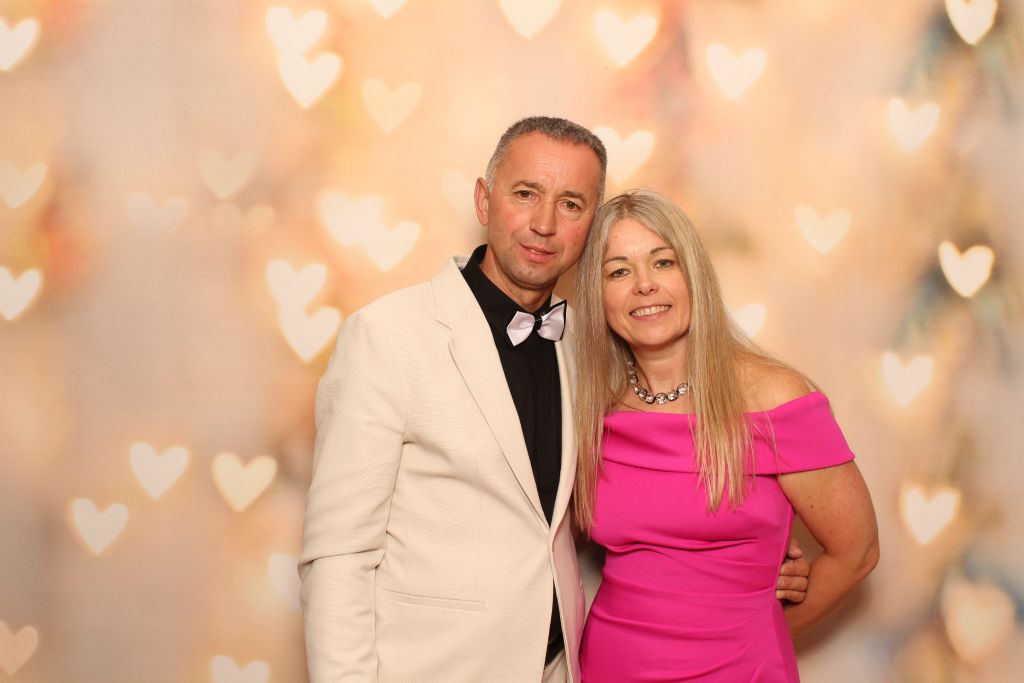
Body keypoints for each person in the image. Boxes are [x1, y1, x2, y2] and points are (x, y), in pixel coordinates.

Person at [299, 118, 810, 682]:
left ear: (591, 225)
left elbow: (619, 505)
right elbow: (338, 553)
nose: (544, 224)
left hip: (566, 668)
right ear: (484, 200)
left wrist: (747, 555)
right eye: (525, 194)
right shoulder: (387, 336)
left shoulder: (592, 351)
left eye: (571, 204)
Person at [572, 189, 880, 682]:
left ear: (693, 275)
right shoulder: (591, 408)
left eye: (663, 262)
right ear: (598, 295)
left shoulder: (772, 396)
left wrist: (761, 633)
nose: (644, 285)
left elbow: (857, 552)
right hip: (610, 668)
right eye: (619, 272)